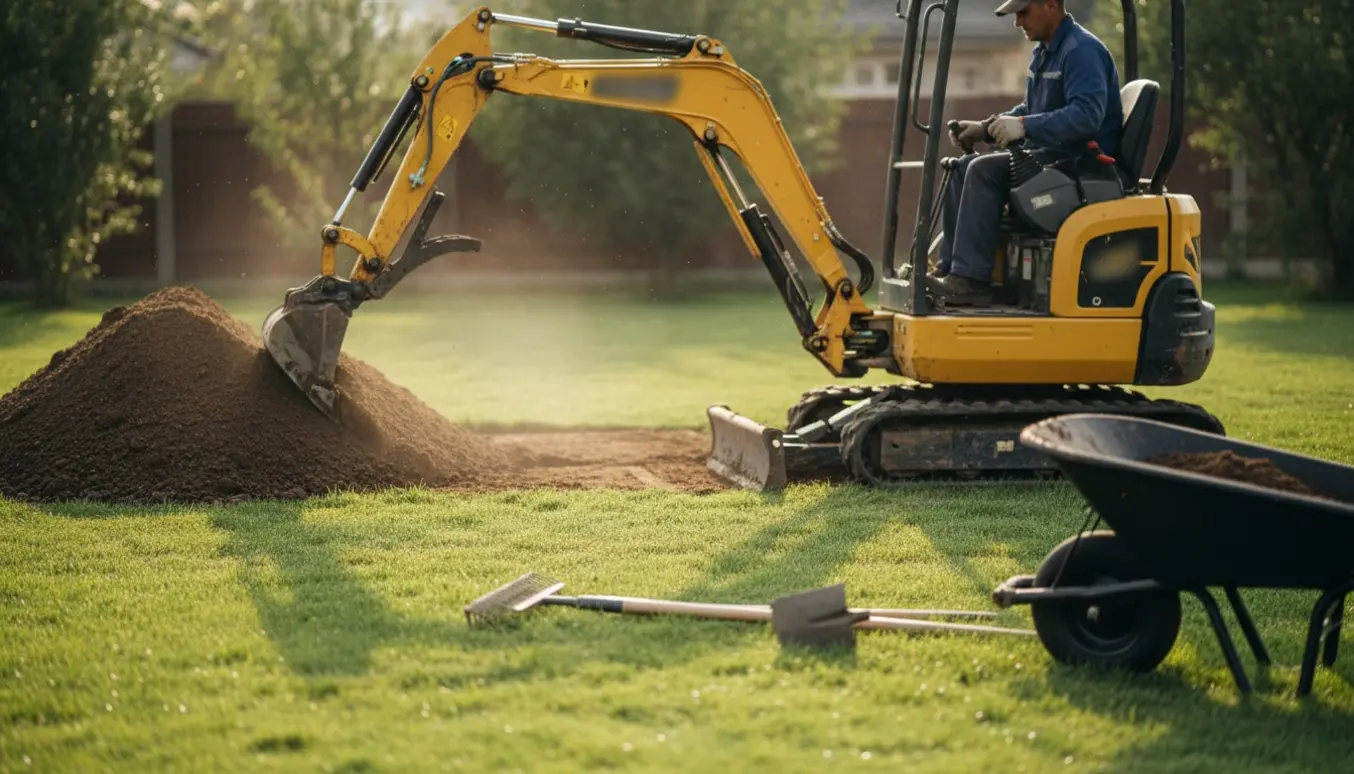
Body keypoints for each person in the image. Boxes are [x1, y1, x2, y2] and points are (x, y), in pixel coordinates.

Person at [927, 0, 1123, 306]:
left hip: (1080, 164)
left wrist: (1023, 126)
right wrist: (986, 127)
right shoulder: (1046, 53)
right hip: (1051, 157)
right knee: (963, 165)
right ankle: (950, 271)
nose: (1017, 22)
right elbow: (1032, 110)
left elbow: (1087, 116)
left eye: (1023, 12)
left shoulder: (1081, 51)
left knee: (983, 171)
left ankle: (971, 281)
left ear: (1050, 5)